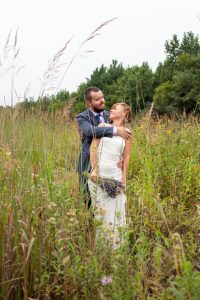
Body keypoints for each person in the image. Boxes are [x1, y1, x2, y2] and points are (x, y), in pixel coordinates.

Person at [76, 86, 131, 206]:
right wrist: (115, 130)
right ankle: (90, 224)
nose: (102, 101)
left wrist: (121, 157)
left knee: (111, 200)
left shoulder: (109, 114)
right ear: (89, 103)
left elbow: (117, 141)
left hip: (109, 167)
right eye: (97, 99)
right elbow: (89, 131)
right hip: (88, 166)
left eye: (102, 97)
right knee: (88, 202)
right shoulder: (82, 117)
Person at [88, 102, 132, 249]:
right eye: (111, 108)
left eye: (116, 108)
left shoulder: (127, 132)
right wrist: (94, 170)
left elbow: (126, 158)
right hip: (99, 177)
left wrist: (124, 178)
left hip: (115, 176)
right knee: (101, 215)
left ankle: (117, 251)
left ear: (124, 114)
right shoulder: (102, 127)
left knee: (116, 216)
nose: (111, 109)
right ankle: (102, 250)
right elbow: (93, 148)